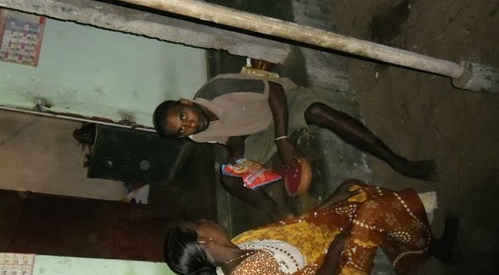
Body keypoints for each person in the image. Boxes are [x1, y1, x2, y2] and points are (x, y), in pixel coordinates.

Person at [164, 179, 457, 275]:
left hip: (319, 258)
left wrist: (331, 203)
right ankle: (434, 249)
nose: (205, 219)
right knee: (371, 213)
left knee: (355, 193)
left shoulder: (239, 244)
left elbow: (298, 230)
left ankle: (407, 263)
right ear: (203, 239)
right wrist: (337, 246)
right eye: (199, 222)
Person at [153, 72, 438, 217]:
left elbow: (274, 89)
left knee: (318, 112)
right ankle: (280, 214)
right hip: (258, 134)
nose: (190, 125)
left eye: (184, 116)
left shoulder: (217, 90)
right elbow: (232, 137)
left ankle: (397, 161)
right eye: (182, 130)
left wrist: (282, 138)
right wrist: (236, 159)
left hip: (281, 103)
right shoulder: (197, 135)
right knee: (227, 178)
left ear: (186, 102)